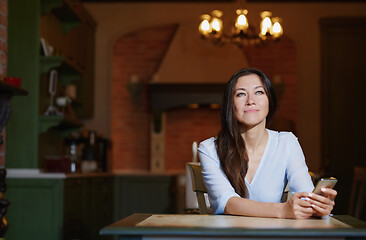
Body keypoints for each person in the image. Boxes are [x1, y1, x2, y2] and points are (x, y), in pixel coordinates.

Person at [198, 68, 337, 219]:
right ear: (230, 105)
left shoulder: (287, 143)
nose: (250, 101)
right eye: (241, 94)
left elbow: (304, 195)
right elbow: (227, 203)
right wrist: (282, 210)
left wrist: (316, 206)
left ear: (269, 100)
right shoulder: (210, 149)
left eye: (259, 92)